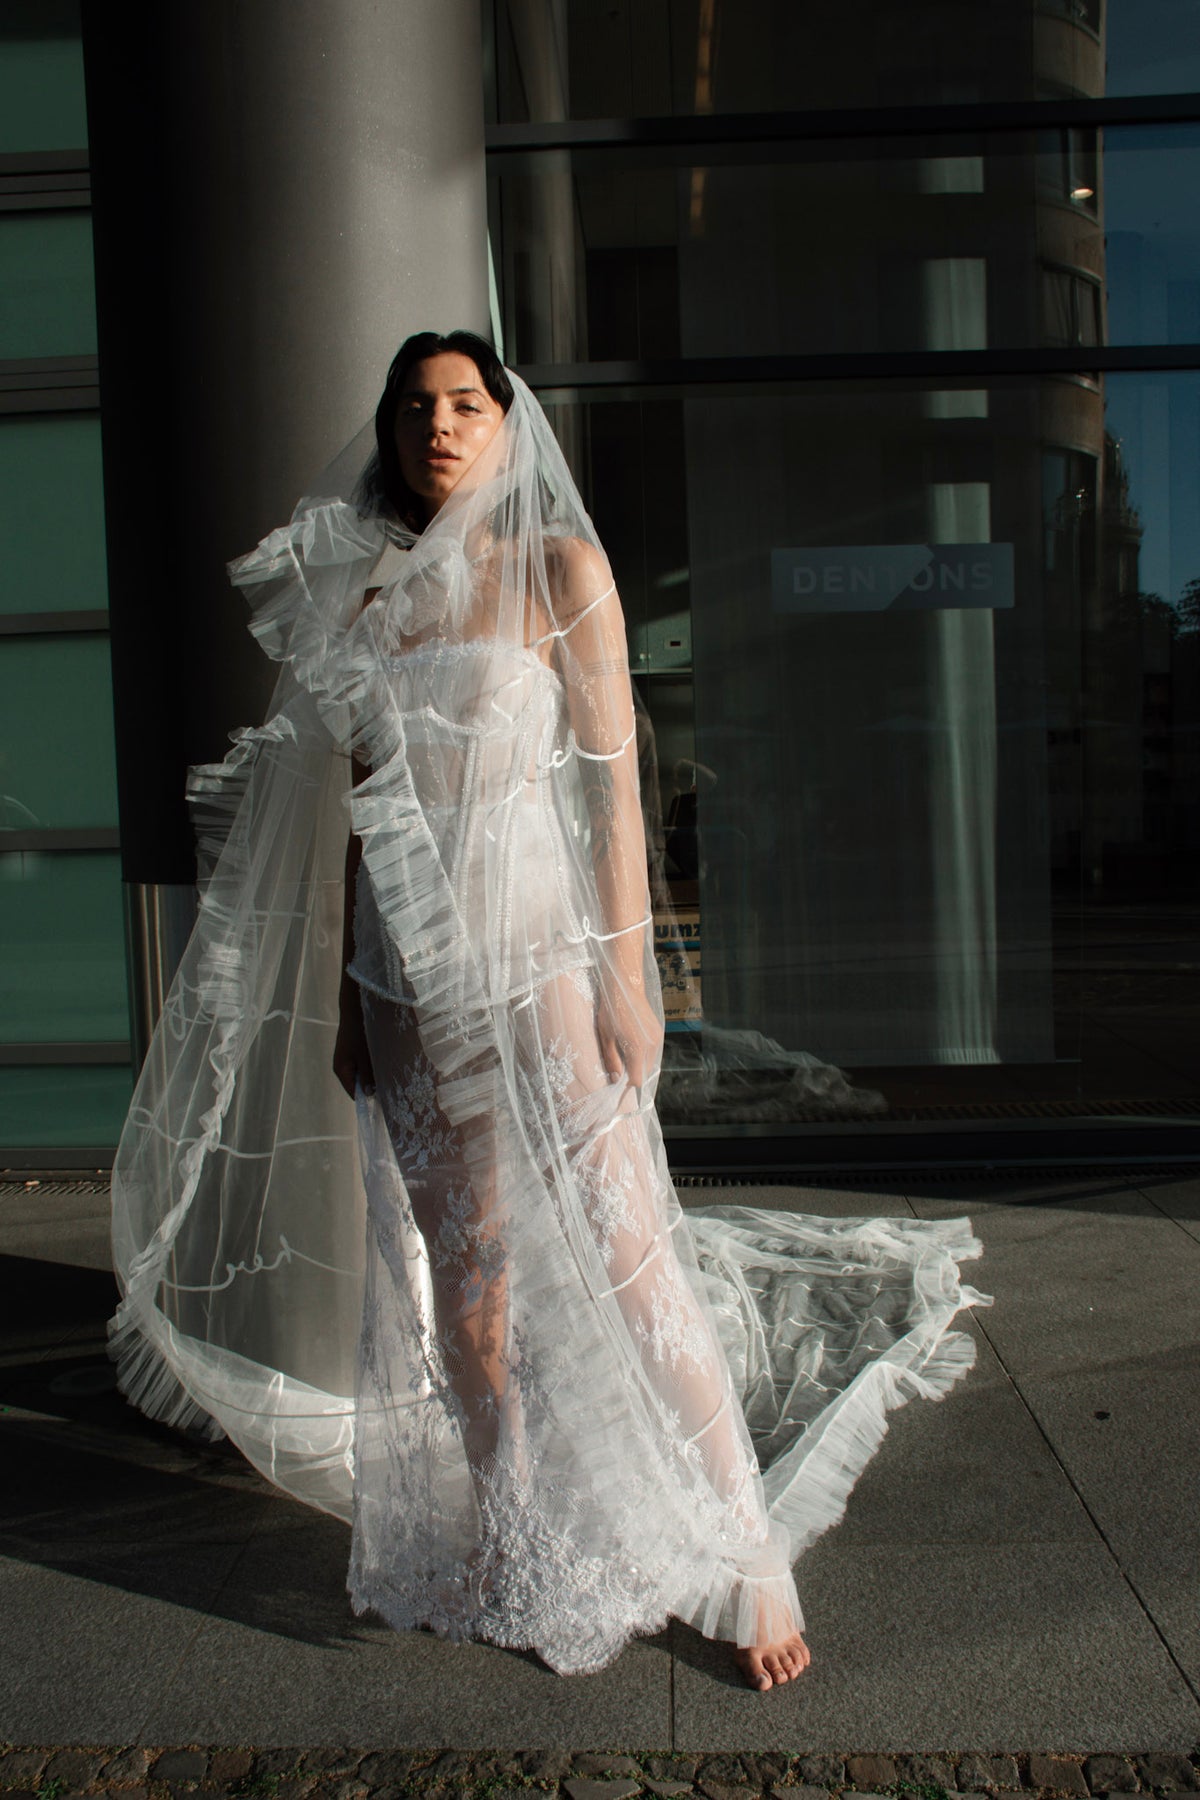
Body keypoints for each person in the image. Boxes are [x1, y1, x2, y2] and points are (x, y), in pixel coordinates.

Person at [108, 329, 988, 1691]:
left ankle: (748, 1558)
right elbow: (358, 821)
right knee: (467, 1289)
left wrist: (632, 983)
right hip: (404, 999)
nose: (439, 427)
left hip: (539, 975)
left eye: (466, 403)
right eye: (414, 409)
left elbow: (613, 795)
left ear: (511, 429)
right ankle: (515, 1536)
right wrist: (350, 993)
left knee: (636, 1267)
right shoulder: (370, 602)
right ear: (391, 437)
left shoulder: (562, 574)